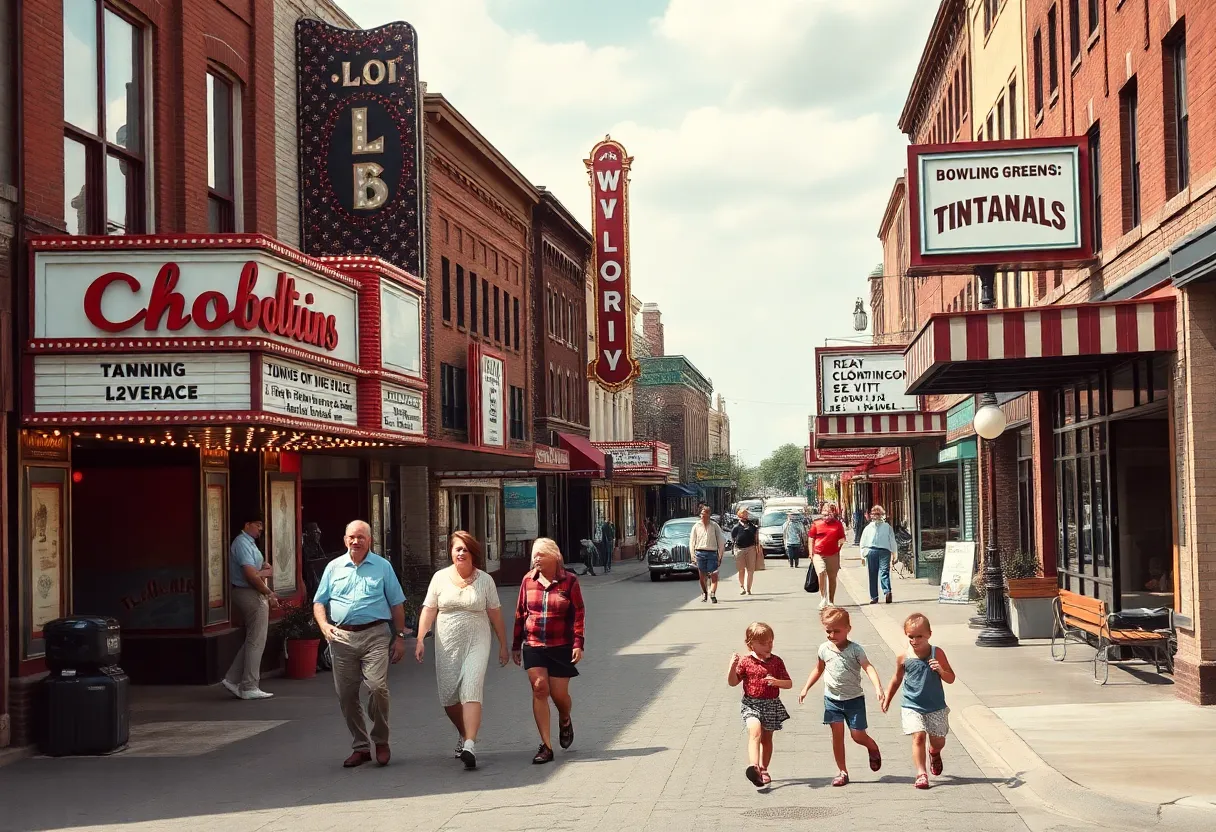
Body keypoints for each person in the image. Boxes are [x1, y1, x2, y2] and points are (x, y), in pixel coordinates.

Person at [312, 520, 408, 768]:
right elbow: (319, 602)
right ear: (345, 540)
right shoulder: (333, 568)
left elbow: (397, 604)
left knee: (377, 687)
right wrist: (324, 626)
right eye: (351, 537)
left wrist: (399, 637)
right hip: (341, 638)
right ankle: (361, 747)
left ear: (370, 540)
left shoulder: (382, 567)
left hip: (375, 634)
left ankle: (381, 740)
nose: (356, 542)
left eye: (361, 537)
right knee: (346, 695)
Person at [414, 531, 510, 770]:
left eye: (465, 549)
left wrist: (503, 645)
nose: (460, 553)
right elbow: (429, 609)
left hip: (477, 638)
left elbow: (495, 613)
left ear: (472, 553)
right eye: (457, 549)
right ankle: (463, 732)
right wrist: (419, 639)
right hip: (447, 642)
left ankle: (470, 744)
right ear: (451, 552)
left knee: (471, 688)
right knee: (448, 696)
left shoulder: (485, 581)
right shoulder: (439, 578)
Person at [512, 538, 586, 764]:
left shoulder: (570, 582)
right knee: (539, 688)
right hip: (534, 645)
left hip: (561, 645)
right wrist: (516, 644)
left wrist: (578, 643)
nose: (536, 559)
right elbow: (520, 613)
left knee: (559, 695)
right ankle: (546, 745)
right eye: (534, 555)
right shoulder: (527, 581)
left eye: (540, 555)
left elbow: (579, 613)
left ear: (554, 557)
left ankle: (565, 718)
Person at [798, 607, 884, 787]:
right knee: (837, 737)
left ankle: (872, 747)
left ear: (848, 629)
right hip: (832, 700)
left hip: (854, 700)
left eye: (837, 631)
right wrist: (806, 687)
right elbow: (818, 669)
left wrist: (878, 687)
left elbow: (868, 667)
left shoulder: (855, 650)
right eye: (828, 631)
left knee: (857, 735)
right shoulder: (823, 649)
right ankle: (842, 771)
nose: (832, 635)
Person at [882, 613, 957, 789]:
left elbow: (951, 678)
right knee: (919, 736)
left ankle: (934, 752)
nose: (915, 640)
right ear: (906, 634)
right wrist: (888, 698)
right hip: (911, 705)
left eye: (919, 636)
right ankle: (921, 774)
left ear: (929, 634)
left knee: (938, 740)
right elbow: (896, 679)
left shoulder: (936, 653)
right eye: (911, 636)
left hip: (935, 706)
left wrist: (940, 670)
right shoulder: (903, 657)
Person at [727, 622, 792, 788]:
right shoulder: (745, 662)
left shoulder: (776, 662)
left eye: (770, 642)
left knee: (767, 739)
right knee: (754, 732)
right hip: (751, 704)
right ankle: (754, 766)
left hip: (771, 704)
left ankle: (764, 769)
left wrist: (777, 682)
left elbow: (789, 683)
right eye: (763, 643)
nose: (768, 646)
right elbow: (733, 682)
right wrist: (732, 667)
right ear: (750, 644)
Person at [222, 515, 279, 700]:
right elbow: (250, 575)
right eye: (258, 525)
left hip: (250, 591)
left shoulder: (249, 543)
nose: (260, 529)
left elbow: (254, 571)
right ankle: (249, 685)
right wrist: (268, 591)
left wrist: (262, 569)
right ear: (247, 524)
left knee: (253, 639)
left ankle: (232, 679)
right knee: (257, 640)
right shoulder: (242, 543)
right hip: (249, 593)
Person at [808, 503, 848, 609]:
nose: (826, 517)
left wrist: (839, 547)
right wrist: (811, 552)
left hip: (833, 554)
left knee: (832, 577)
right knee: (821, 572)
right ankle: (823, 598)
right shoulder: (816, 524)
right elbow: (811, 538)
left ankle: (831, 600)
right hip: (818, 553)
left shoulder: (838, 525)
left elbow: (842, 538)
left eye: (828, 514)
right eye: (824, 514)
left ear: (833, 514)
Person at [860, 505, 898, 604]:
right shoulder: (868, 528)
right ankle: (874, 597)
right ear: (871, 516)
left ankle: (887, 592)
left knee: (884, 572)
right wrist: (863, 555)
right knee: (872, 574)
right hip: (871, 551)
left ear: (881, 515)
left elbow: (892, 541)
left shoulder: (887, 527)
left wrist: (895, 554)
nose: (875, 516)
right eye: (873, 514)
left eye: (877, 514)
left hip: (884, 551)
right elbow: (863, 542)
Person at [689, 505, 727, 603]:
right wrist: (692, 555)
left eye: (706, 514)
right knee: (702, 576)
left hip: (712, 553)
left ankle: (712, 593)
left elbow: (721, 541)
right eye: (702, 514)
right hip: (700, 552)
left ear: (709, 515)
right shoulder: (696, 526)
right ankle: (704, 592)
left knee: (714, 575)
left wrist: (720, 555)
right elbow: (692, 541)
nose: (703, 516)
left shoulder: (714, 526)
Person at [731, 509, 761, 595]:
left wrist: (757, 548)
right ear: (739, 516)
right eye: (743, 514)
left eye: (746, 514)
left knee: (750, 570)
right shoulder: (736, 527)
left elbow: (756, 537)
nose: (745, 516)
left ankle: (748, 588)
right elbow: (733, 538)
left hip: (751, 548)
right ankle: (741, 586)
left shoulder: (752, 526)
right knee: (741, 570)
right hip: (739, 549)